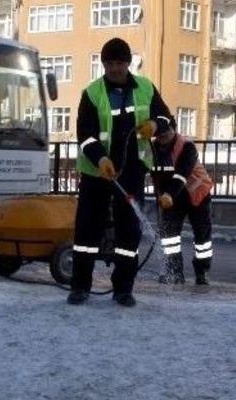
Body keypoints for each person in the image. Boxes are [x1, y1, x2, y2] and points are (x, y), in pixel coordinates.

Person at [67, 37, 174, 307]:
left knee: (129, 233)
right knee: (87, 233)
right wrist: (100, 159)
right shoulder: (92, 93)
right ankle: (80, 286)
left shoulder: (146, 88)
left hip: (132, 172)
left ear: (128, 63)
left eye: (119, 63)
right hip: (97, 174)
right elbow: (86, 135)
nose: (114, 69)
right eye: (109, 64)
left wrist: (154, 125)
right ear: (103, 64)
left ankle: (123, 289)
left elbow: (166, 119)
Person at [152, 117, 214, 285]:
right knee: (169, 237)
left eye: (165, 133)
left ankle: (202, 272)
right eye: (158, 135)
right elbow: (154, 173)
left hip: (197, 194)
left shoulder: (187, 146)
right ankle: (174, 273)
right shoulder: (154, 147)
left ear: (174, 130)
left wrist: (168, 194)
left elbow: (182, 173)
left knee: (202, 238)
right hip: (171, 197)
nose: (162, 137)